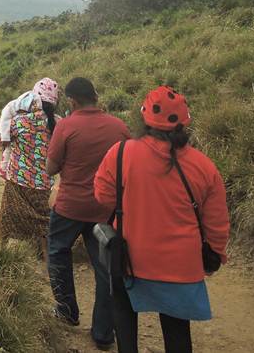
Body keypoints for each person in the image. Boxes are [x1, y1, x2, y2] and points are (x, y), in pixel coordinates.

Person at [94, 86, 230, 353]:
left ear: (144, 118)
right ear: (184, 122)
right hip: (181, 265)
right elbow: (217, 222)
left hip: (130, 257)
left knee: (124, 315)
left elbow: (103, 197)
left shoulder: (121, 153)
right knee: (177, 331)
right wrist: (215, 255)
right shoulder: (204, 166)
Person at [46, 77, 131, 348]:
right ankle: (103, 332)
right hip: (104, 209)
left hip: (70, 206)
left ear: (72, 100)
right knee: (105, 268)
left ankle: (67, 311)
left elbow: (50, 168)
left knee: (58, 252)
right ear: (95, 96)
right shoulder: (119, 127)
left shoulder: (67, 126)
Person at [0, 78, 58, 256]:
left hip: (18, 180)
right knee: (44, 220)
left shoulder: (20, 121)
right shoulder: (59, 123)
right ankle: (46, 256)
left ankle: (0, 250)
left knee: (8, 215)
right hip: (45, 183)